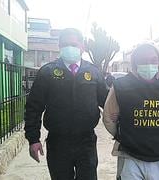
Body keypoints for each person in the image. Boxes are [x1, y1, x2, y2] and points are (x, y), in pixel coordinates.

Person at [24, 28, 108, 180]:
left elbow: (108, 103)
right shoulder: (47, 72)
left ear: (82, 47)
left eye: (74, 44)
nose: (70, 48)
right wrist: (33, 139)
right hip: (58, 143)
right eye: (65, 44)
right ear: (59, 47)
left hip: (86, 142)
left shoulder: (94, 72)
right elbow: (33, 108)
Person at [103, 43, 159, 180]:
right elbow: (108, 118)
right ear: (134, 63)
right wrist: (123, 134)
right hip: (130, 156)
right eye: (143, 61)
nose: (148, 64)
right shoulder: (121, 86)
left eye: (153, 60)